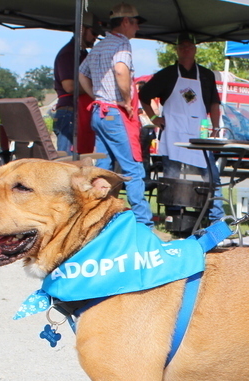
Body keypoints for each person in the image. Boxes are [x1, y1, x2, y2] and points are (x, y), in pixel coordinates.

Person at [78, 2, 154, 228]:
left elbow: (82, 75)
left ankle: (97, 217)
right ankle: (143, 224)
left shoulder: (100, 46)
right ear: (126, 22)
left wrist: (97, 96)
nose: (137, 29)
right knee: (133, 169)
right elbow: (121, 69)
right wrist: (123, 100)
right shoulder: (122, 44)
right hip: (115, 113)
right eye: (136, 23)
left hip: (100, 112)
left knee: (103, 169)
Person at [139, 33, 225, 224]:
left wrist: (216, 128)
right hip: (173, 132)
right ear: (177, 50)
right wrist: (154, 118)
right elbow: (143, 95)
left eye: (189, 46)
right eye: (182, 46)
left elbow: (214, 104)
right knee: (172, 174)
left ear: (195, 49)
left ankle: (215, 216)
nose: (185, 49)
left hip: (199, 132)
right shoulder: (167, 74)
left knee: (209, 173)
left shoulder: (206, 75)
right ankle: (174, 213)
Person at [53, 11, 102, 154]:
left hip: (77, 112)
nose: (95, 38)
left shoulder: (82, 54)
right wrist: (95, 90)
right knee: (68, 162)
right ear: (82, 29)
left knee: (79, 160)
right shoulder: (69, 54)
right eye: (93, 33)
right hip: (69, 112)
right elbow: (69, 86)